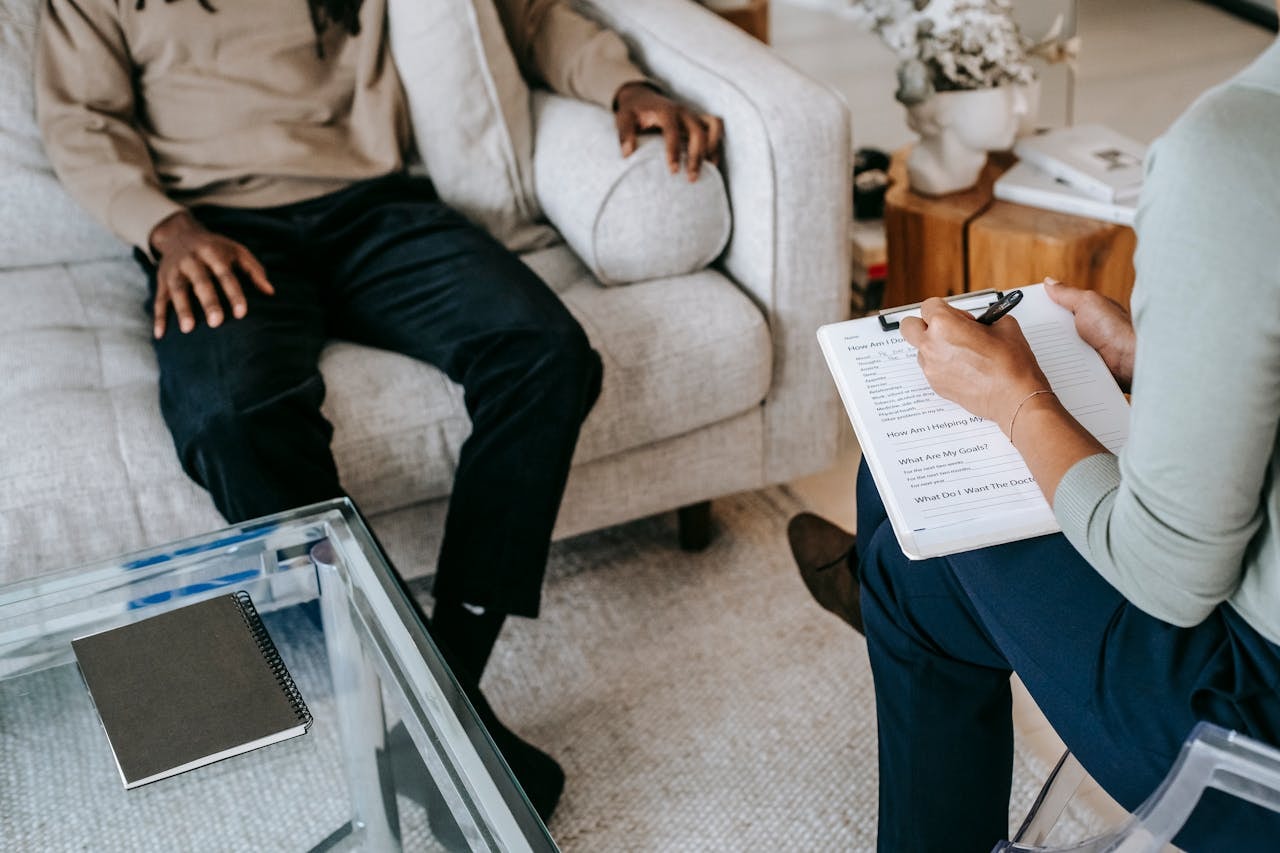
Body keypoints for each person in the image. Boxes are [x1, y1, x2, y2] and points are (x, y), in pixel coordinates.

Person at [36, 0, 721, 820]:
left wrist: (625, 83)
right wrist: (166, 230)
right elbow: (82, 119)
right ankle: (436, 708)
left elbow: (530, 19)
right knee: (231, 419)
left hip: (377, 207)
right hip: (211, 228)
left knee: (545, 356)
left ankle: (438, 689)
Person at [789, 29, 1280, 853]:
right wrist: (1164, 359)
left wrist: (1016, 397)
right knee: (916, 543)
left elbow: (1171, 572)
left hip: (1247, 733)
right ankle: (901, 603)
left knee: (909, 535)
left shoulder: (1238, 149)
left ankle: (892, 601)